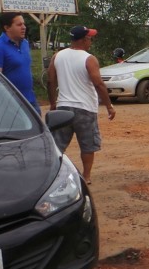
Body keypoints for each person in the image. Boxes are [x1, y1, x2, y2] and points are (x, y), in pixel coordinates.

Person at [47, 26, 116, 184]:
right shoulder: (89, 58)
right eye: (89, 38)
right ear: (83, 39)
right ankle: (86, 176)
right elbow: (98, 84)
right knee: (87, 144)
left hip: (63, 107)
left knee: (58, 145)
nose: (90, 41)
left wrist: (53, 103)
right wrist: (109, 106)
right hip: (85, 108)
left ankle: (54, 175)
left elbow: (51, 80)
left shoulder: (57, 56)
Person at [0, 12, 40, 115]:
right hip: (11, 104)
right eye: (19, 25)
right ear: (7, 27)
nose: (24, 27)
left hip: (30, 99)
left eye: (23, 24)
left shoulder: (24, 43)